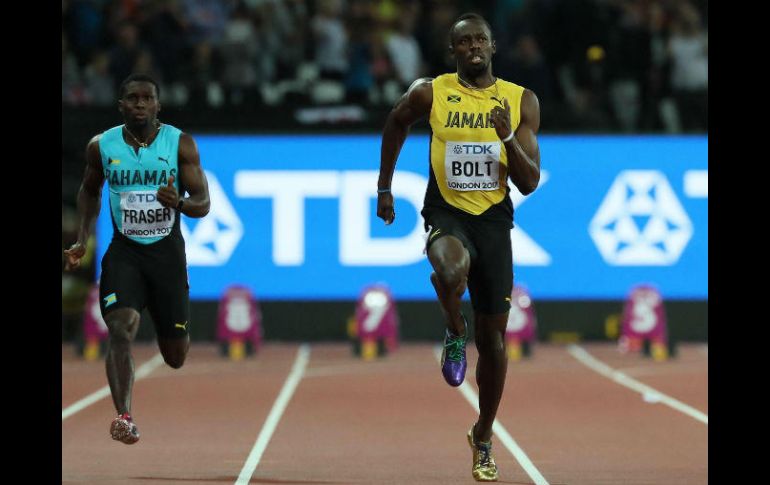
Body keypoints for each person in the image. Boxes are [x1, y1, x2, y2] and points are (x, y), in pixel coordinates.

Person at [376, 13, 541, 482]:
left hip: (494, 223)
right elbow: (395, 122)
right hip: (446, 213)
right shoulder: (432, 91)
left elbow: (529, 183)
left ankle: (483, 435)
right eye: (463, 41)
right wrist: (384, 187)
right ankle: (453, 327)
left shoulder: (520, 100)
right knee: (449, 272)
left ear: (493, 47)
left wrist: (505, 134)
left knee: (493, 344)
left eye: (480, 40)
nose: (473, 47)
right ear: (453, 51)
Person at [63, 73, 211, 445]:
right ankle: (124, 416)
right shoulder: (102, 145)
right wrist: (82, 237)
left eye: (148, 98)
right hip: (124, 252)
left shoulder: (180, 144)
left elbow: (203, 203)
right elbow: (89, 190)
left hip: (167, 255)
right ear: (121, 105)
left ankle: (169, 325)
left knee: (175, 355)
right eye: (133, 98)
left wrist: (177, 202)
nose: (140, 104)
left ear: (159, 105)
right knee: (120, 327)